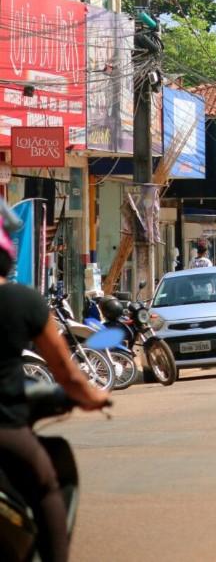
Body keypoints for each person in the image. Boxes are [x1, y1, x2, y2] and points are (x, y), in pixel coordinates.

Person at [0, 208, 110, 562]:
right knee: (47, 485)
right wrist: (92, 397)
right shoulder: (23, 301)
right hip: (7, 432)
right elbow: (69, 373)